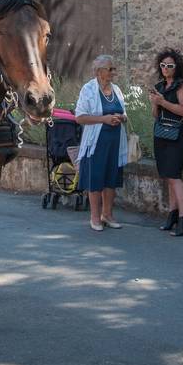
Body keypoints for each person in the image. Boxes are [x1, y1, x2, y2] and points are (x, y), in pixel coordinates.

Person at [74, 55, 129, 232]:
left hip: (114, 143)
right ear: (99, 71)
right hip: (96, 144)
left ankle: (108, 214)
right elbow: (80, 117)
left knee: (111, 179)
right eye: (110, 69)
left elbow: (125, 113)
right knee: (95, 179)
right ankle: (95, 217)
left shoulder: (117, 90)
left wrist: (122, 117)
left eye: (114, 69)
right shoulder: (88, 90)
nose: (114, 72)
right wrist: (103, 119)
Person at [148, 48, 183, 237]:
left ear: (177, 67)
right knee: (167, 176)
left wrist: (163, 102)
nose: (166, 68)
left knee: (175, 176)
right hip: (161, 133)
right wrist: (154, 103)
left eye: (170, 66)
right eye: (163, 65)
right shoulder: (160, 86)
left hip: (177, 134)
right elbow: (155, 115)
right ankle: (172, 215)